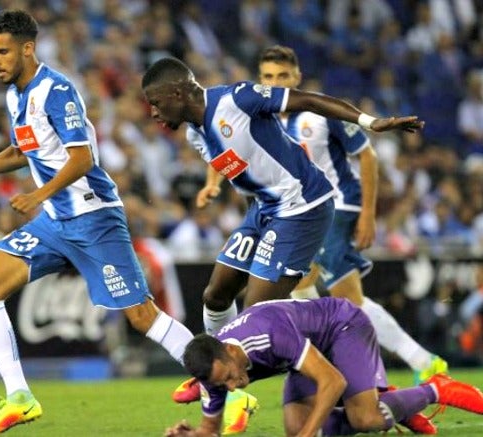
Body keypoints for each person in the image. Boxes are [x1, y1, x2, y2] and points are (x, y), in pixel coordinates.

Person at [0, 11, 194, 437]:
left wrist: (38, 194)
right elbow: (22, 151)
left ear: (27, 48)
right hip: (55, 221)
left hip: (93, 218)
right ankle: (20, 398)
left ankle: (222, 380)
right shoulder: (16, 96)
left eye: (3, 51)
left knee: (141, 316)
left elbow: (82, 158)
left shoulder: (57, 90)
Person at [141, 56, 423, 434]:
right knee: (216, 295)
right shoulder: (195, 133)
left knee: (256, 314)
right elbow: (245, 176)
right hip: (264, 211)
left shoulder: (236, 100)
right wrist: (258, 237)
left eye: (157, 103)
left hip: (303, 207)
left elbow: (307, 100)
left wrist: (370, 123)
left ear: (177, 92)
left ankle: (234, 393)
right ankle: (221, 374)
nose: (154, 113)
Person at [254, 45, 448, 385]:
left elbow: (367, 155)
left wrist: (367, 215)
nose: (277, 82)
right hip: (300, 213)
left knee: (325, 294)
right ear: (260, 80)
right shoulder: (260, 119)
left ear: (297, 77)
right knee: (312, 291)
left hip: (338, 205)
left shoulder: (319, 112)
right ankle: (415, 361)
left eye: (283, 75)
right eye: (269, 77)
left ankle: (366, 376)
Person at [165, 298, 483, 437]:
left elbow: (332, 381)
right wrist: (193, 434)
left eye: (231, 377)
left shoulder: (269, 334)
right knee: (299, 428)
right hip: (306, 355)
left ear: (232, 351)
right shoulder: (213, 371)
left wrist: (306, 434)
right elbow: (211, 430)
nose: (235, 387)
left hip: (342, 327)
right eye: (224, 386)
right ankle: (394, 406)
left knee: (365, 418)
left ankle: (435, 389)